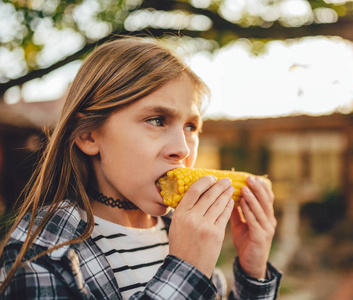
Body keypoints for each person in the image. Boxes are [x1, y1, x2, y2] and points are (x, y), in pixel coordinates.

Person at [0, 38, 281, 299]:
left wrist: (253, 273)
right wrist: (187, 270)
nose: (183, 149)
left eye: (191, 126)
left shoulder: (182, 232)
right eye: (157, 120)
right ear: (88, 135)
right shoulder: (42, 252)